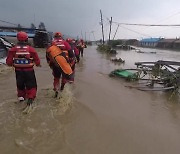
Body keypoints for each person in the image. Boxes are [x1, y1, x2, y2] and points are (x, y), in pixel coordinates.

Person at [6, 31, 41, 105]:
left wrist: (12, 64)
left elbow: (8, 62)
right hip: (29, 71)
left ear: (18, 39)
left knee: (20, 84)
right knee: (31, 85)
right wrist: (38, 64)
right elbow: (37, 60)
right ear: (26, 39)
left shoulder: (13, 49)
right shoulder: (31, 49)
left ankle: (21, 98)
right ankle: (31, 98)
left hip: (18, 71)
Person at [46, 32, 74, 97]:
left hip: (55, 64)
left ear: (54, 37)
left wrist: (50, 64)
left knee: (56, 78)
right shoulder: (65, 43)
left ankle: (56, 91)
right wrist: (71, 62)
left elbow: (47, 55)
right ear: (61, 37)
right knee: (64, 76)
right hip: (64, 63)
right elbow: (71, 53)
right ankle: (62, 88)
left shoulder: (52, 43)